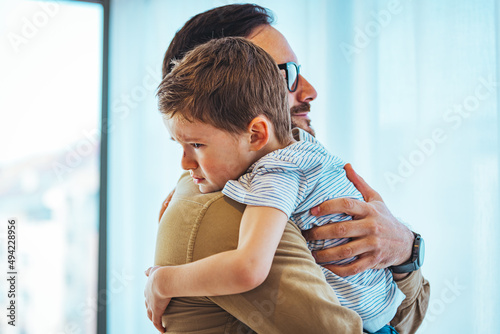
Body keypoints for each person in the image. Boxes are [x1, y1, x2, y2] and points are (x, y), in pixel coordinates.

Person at [145, 4, 429, 334]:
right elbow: (391, 325)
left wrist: (407, 247)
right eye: (285, 74)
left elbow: (404, 319)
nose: (309, 91)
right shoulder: (234, 211)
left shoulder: (299, 165)